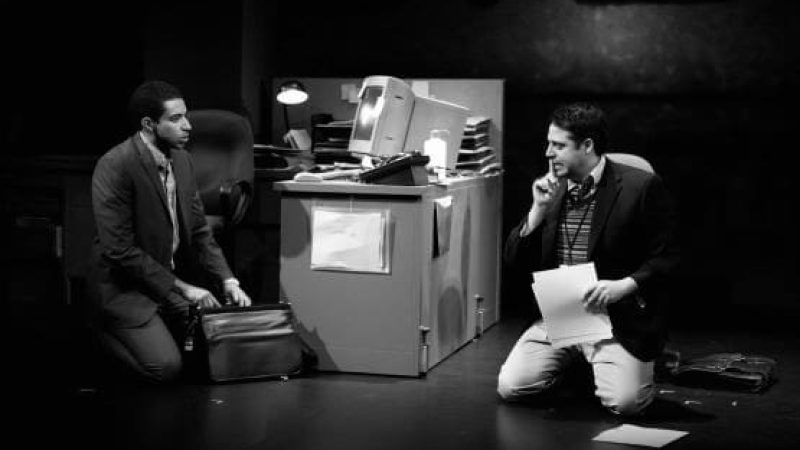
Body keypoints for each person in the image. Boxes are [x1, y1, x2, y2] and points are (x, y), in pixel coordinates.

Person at [497, 102, 678, 415]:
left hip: (614, 318)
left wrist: (625, 285)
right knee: (512, 387)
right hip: (561, 314)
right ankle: (583, 364)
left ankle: (611, 363)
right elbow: (513, 261)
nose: (548, 153)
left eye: (558, 145)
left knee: (626, 404)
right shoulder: (551, 188)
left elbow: (668, 257)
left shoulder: (640, 187)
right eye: (548, 143)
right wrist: (537, 210)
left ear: (587, 146)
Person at [88, 80, 251, 384]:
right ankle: (97, 332)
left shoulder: (182, 160)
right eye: (176, 119)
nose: (188, 126)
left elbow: (200, 230)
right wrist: (185, 288)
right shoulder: (116, 165)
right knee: (165, 368)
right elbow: (119, 250)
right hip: (126, 290)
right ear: (149, 124)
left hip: (162, 283)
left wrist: (228, 280)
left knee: (213, 353)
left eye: (185, 116)